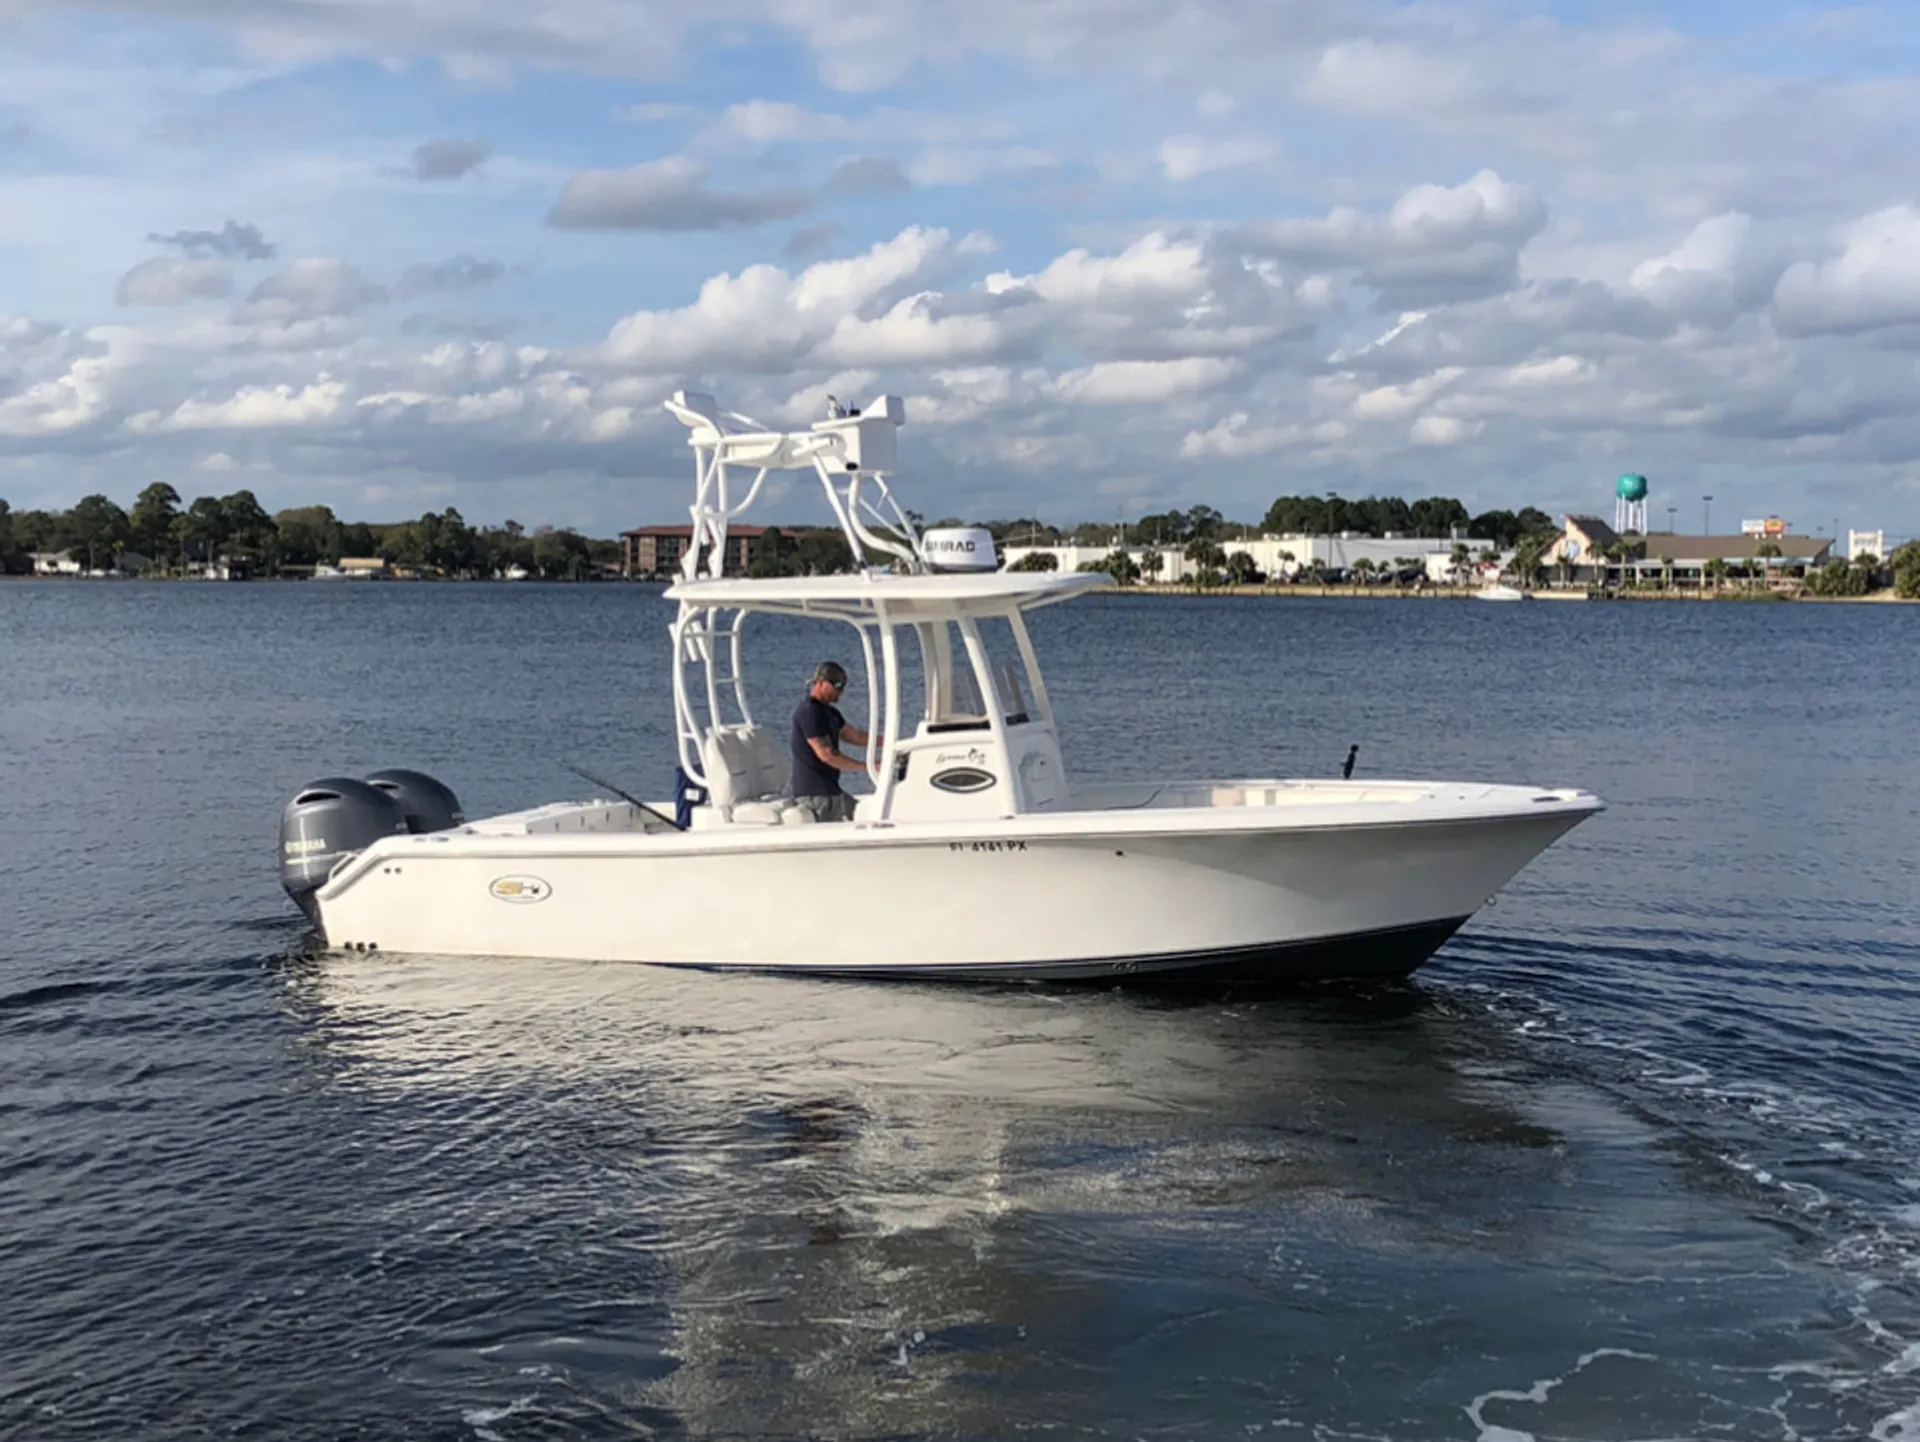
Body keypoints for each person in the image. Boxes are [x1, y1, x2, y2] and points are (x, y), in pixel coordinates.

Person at [789, 661, 879, 822]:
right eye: (837, 684)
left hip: (832, 791)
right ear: (821, 682)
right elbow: (827, 755)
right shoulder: (809, 712)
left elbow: (856, 736)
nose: (841, 690)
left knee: (869, 816)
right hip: (816, 796)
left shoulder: (830, 713)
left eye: (844, 685)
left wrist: (891, 743)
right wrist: (868, 767)